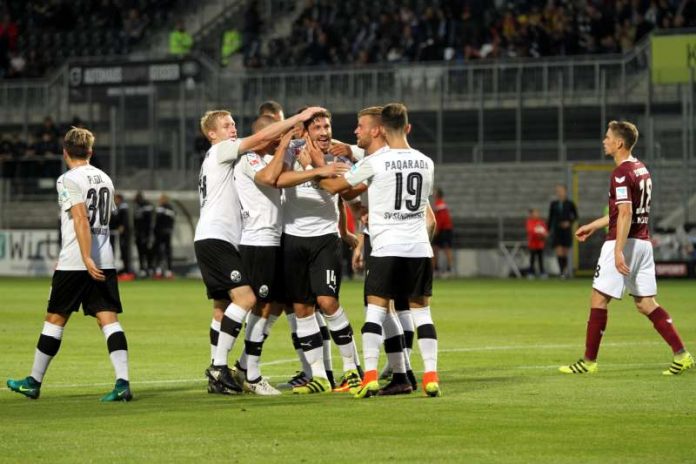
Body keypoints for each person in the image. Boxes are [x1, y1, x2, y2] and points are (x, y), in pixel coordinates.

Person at [195, 106, 328, 395]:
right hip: (228, 238)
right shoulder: (228, 153)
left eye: (233, 124)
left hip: (229, 238)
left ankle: (232, 369)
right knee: (248, 300)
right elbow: (267, 161)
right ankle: (233, 370)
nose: (233, 129)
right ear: (212, 134)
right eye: (227, 125)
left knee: (249, 305)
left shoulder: (231, 158)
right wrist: (294, 122)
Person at [322, 102, 441, 398]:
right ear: (408, 128)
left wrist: (316, 166)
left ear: (382, 131)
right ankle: (430, 377)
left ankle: (371, 376)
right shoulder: (426, 162)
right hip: (418, 247)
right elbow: (425, 209)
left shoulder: (376, 161)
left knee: (375, 311)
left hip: (387, 246)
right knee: (422, 314)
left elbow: (337, 187)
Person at [6, 127, 132, 402]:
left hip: (77, 261)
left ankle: (33, 382)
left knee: (55, 319)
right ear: (90, 151)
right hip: (105, 260)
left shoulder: (67, 179)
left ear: (65, 152)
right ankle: (123, 383)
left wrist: (85, 257)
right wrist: (95, 256)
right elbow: (105, 219)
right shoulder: (105, 179)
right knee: (108, 320)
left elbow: (80, 219)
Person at [560, 121, 693, 375]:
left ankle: (588, 362)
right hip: (643, 243)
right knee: (645, 303)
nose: (604, 141)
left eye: (607, 137)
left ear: (619, 143)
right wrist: (594, 225)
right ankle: (682, 355)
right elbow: (623, 212)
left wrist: (618, 249)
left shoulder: (620, 173)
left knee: (598, 298)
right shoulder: (641, 168)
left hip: (625, 243)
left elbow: (625, 212)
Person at [275, 108, 362, 395]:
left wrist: (344, 231)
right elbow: (280, 180)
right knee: (302, 308)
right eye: (318, 127)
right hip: (293, 237)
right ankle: (320, 376)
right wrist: (316, 170)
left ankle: (352, 369)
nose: (325, 132)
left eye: (327, 126)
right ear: (305, 130)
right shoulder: (291, 150)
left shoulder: (338, 153)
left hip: (324, 238)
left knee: (327, 302)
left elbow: (346, 194)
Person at [547, 184, 577, 278]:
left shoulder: (570, 204)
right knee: (559, 251)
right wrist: (548, 230)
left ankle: (564, 270)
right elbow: (550, 217)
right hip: (557, 230)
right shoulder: (554, 204)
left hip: (566, 231)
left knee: (565, 252)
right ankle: (561, 272)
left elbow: (575, 216)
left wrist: (569, 222)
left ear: (565, 191)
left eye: (561, 190)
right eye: (558, 191)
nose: (559, 193)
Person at [153, 194, 176, 279]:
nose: (160, 200)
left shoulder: (168, 208)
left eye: (161, 199)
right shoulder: (161, 208)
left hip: (165, 233)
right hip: (160, 233)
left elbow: (170, 220)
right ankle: (159, 271)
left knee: (166, 252)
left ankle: (168, 271)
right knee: (159, 252)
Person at [432, 188, 454, 276]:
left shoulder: (440, 205)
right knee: (435, 249)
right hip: (442, 229)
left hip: (444, 229)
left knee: (445, 249)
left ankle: (448, 269)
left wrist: (437, 229)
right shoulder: (439, 204)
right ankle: (436, 269)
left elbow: (442, 219)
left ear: (437, 195)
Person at [112, 193, 134, 279]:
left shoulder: (123, 207)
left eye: (116, 199)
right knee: (119, 252)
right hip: (118, 234)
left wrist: (122, 227)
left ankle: (125, 271)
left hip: (123, 235)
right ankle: (122, 271)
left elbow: (124, 219)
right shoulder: (117, 207)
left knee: (123, 252)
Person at [133, 191, 154, 276]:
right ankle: (143, 269)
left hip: (146, 234)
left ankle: (149, 268)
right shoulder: (137, 207)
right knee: (141, 252)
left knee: (148, 252)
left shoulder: (146, 206)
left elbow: (149, 222)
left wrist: (147, 235)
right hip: (139, 233)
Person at [526, 208, 547, 278]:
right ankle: (531, 272)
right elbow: (530, 231)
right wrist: (538, 231)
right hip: (532, 244)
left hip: (540, 244)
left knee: (541, 259)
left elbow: (544, 232)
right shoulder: (529, 222)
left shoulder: (541, 222)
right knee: (532, 259)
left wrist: (541, 233)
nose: (536, 214)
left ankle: (542, 272)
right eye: (535, 213)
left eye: (537, 213)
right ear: (532, 214)